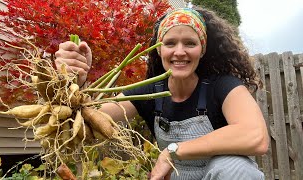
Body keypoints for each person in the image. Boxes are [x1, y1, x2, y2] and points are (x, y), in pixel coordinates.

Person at [55, 6, 269, 180]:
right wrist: (76, 81)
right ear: (159, 49)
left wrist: (173, 150)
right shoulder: (149, 92)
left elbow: (255, 136)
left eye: (190, 43)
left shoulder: (222, 87)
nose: (179, 51)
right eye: (170, 43)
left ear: (202, 50)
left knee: (234, 167)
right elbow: (88, 120)